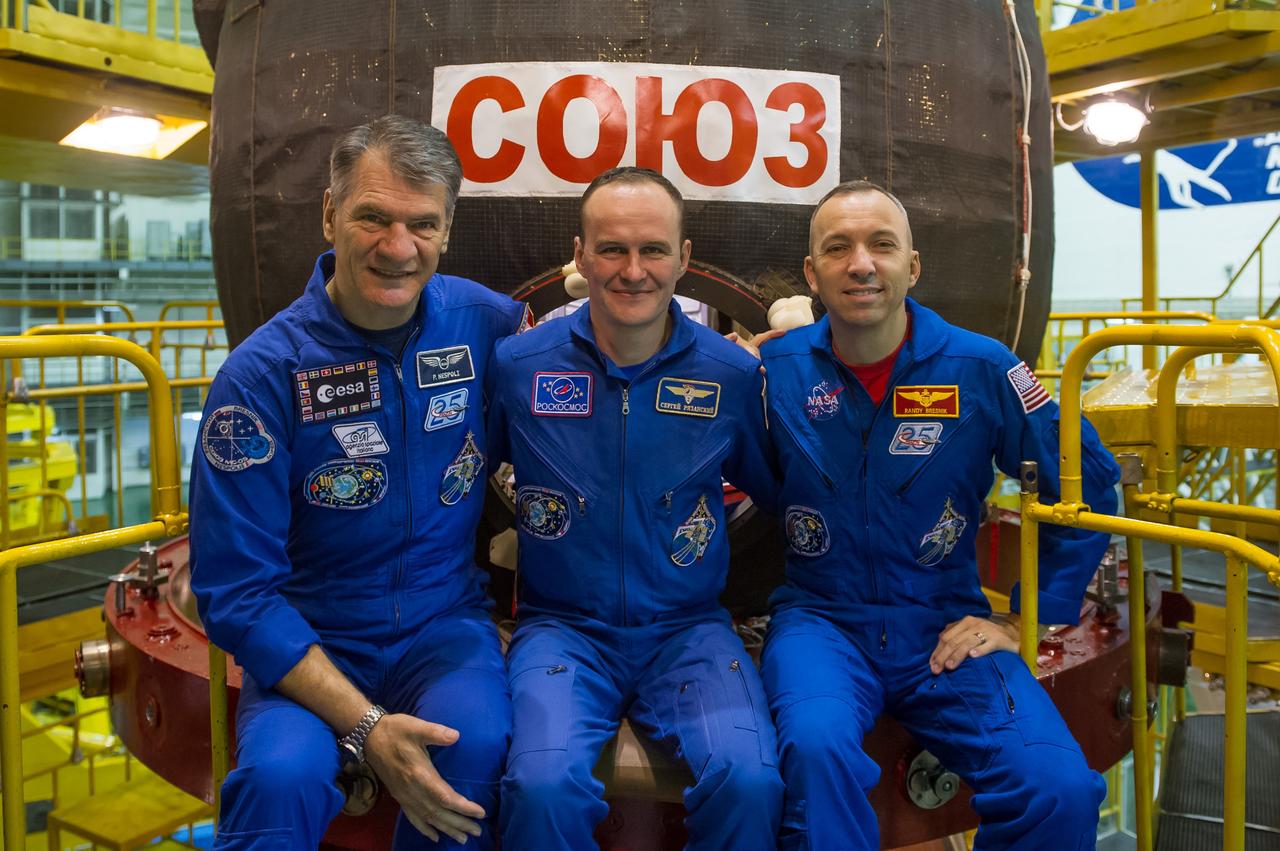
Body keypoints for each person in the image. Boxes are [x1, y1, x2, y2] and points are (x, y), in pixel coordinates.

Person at [190, 114, 527, 850]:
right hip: (311, 638)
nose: (398, 248)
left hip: (444, 629)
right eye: (372, 217)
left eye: (422, 225)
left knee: (470, 754)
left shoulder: (484, 323)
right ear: (329, 214)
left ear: (448, 228)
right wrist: (368, 729)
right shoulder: (261, 377)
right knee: (278, 780)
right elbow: (233, 591)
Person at [758, 181, 1121, 850]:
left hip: (944, 627)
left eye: (881, 245)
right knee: (813, 753)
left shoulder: (981, 369)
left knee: (1059, 789)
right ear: (813, 274)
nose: (860, 263)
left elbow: (1091, 483)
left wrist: (1023, 616)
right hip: (822, 624)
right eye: (837, 248)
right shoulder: (773, 370)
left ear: (913, 266)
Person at [486, 167, 784, 850]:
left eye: (652, 249)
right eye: (612, 249)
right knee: (539, 787)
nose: (633, 270)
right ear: (581, 255)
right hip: (562, 630)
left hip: (689, 631)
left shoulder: (729, 375)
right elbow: (460, 481)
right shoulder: (519, 366)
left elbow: (787, 502)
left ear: (683, 258)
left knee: (750, 781)